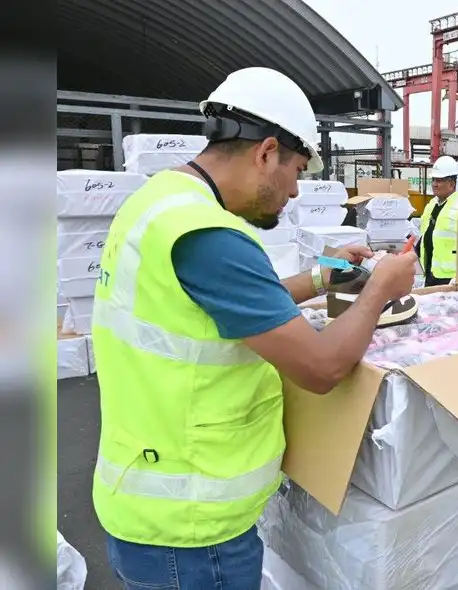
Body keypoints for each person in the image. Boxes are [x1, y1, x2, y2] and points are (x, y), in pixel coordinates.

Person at [90, 67, 418, 590]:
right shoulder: (209, 235)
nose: (293, 190)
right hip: (192, 532)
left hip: (150, 501)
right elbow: (322, 367)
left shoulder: (160, 204)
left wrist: (323, 276)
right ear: (266, 151)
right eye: (295, 171)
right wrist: (381, 287)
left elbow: (233, 308)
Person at [416, 155, 458, 286]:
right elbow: (425, 235)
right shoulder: (432, 204)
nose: (434, 184)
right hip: (430, 272)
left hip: (450, 277)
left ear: (451, 184)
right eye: (433, 180)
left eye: (439, 180)